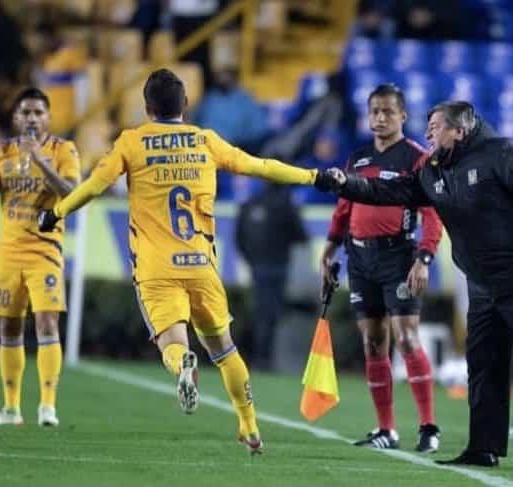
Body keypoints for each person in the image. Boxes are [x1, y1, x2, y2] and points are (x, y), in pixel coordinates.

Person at [37, 69, 319, 454]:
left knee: (172, 343)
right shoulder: (205, 140)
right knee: (224, 349)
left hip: (156, 267)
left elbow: (95, 186)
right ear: (185, 104)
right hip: (201, 264)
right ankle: (250, 427)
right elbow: (260, 166)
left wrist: (56, 212)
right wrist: (311, 176)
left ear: (147, 107)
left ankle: (182, 364)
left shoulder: (132, 142)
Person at [315, 101, 513, 469]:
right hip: (482, 284)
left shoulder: (501, 153)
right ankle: (484, 447)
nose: (429, 133)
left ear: (460, 131)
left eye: (436, 126)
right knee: (483, 363)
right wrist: (347, 184)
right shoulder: (433, 170)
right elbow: (392, 192)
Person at [320, 84, 443, 453]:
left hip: (399, 258)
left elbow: (432, 215)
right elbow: (344, 208)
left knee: (406, 338)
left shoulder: (417, 159)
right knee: (374, 343)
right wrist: (330, 248)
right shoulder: (357, 160)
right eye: (374, 111)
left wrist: (424, 258)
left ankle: (428, 427)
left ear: (403, 116)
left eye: (388, 111)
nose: (380, 118)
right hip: (360, 259)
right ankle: (386, 430)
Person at [0, 87, 81, 427]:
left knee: (47, 322)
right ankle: (11, 409)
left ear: (48, 117)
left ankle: (47, 406)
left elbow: (72, 193)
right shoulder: (2, 152)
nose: (32, 118)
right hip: (9, 253)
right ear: (15, 118)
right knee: (9, 326)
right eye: (25, 112)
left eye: (38, 112)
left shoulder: (64, 150)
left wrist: (41, 163)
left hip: (45, 250)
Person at [235, 183, 308, 370]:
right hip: (278, 267)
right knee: (273, 314)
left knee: (261, 313)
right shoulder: (286, 205)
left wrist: (252, 261)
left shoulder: (250, 203)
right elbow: (301, 236)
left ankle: (259, 357)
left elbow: (239, 239)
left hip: (258, 267)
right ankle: (265, 359)